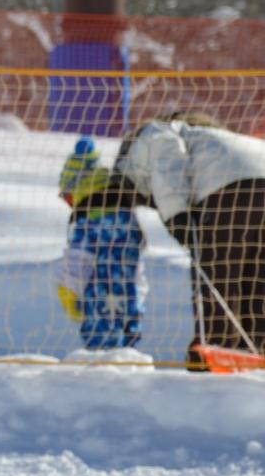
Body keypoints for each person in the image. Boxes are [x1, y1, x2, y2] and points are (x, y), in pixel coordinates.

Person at [111, 113, 265, 367]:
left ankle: (217, 348)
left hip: (228, 191)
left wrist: (177, 216)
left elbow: (167, 163)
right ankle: (256, 347)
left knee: (218, 272)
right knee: (257, 278)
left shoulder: (154, 132)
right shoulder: (222, 138)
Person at [54, 138, 146, 351]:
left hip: (99, 311)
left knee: (101, 355)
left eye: (67, 197)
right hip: (129, 307)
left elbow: (77, 263)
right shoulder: (129, 219)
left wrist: (69, 294)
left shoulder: (88, 224)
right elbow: (137, 264)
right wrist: (140, 298)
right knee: (127, 352)